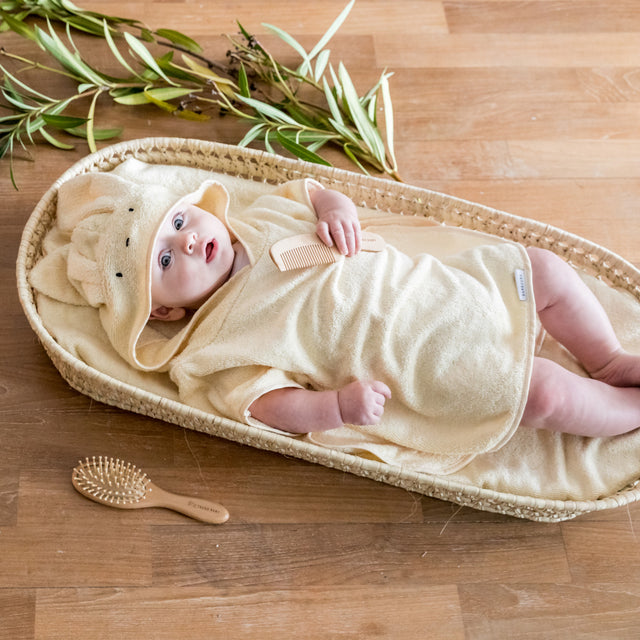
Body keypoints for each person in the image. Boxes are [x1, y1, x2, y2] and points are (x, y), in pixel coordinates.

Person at [37, 159, 640, 471]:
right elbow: (266, 405)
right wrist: (336, 409)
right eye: (166, 259)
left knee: (545, 269)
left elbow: (312, 190)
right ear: (164, 311)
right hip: (421, 357)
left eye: (177, 223)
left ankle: (607, 358)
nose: (189, 241)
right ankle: (628, 410)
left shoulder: (258, 216)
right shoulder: (212, 344)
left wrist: (335, 206)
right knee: (542, 396)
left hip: (439, 288)